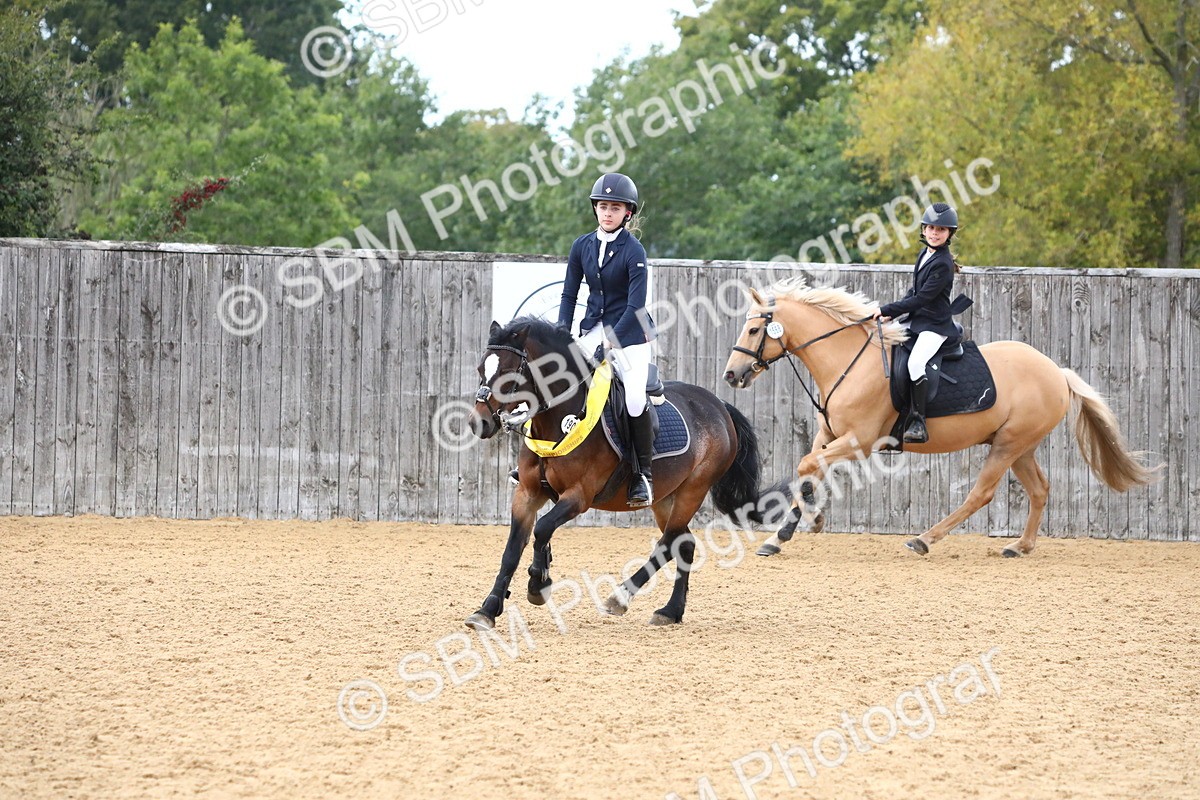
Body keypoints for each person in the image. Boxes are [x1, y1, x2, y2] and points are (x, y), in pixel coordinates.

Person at [556, 172, 657, 507]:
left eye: (615, 207)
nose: (608, 212)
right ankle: (541, 458)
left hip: (629, 336)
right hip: (592, 330)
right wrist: (561, 331)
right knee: (556, 382)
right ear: (595, 209)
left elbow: (636, 306)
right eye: (602, 206)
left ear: (627, 212)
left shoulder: (634, 250)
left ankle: (643, 474)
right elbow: (569, 294)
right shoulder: (581, 246)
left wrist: (611, 342)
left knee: (631, 398)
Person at [874, 202, 964, 444]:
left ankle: (918, 420)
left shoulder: (943, 263)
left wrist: (887, 309)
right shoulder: (925, 254)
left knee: (916, 363)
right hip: (917, 321)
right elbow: (914, 290)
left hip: (935, 326)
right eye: (931, 228)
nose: (935, 233)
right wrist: (890, 315)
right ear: (924, 230)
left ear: (949, 234)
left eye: (941, 230)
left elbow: (923, 298)